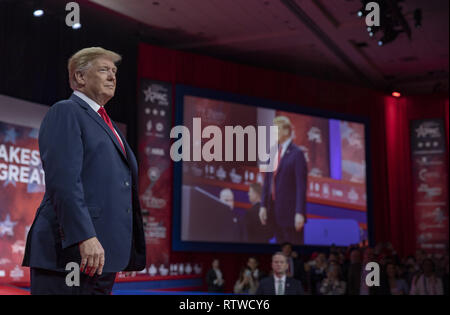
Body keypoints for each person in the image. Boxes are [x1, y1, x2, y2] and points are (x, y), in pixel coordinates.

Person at [22, 47, 146, 295]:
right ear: (80, 77)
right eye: (104, 70)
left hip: (101, 257)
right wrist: (84, 236)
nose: (112, 77)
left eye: (114, 72)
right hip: (70, 253)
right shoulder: (66, 111)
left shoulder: (106, 124)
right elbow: (64, 182)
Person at [259, 116, 308, 245]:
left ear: (286, 131)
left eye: (276, 130)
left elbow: (301, 187)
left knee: (293, 253)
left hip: (291, 215)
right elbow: (267, 182)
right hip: (274, 213)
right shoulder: (273, 152)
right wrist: (263, 205)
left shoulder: (297, 154)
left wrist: (299, 212)